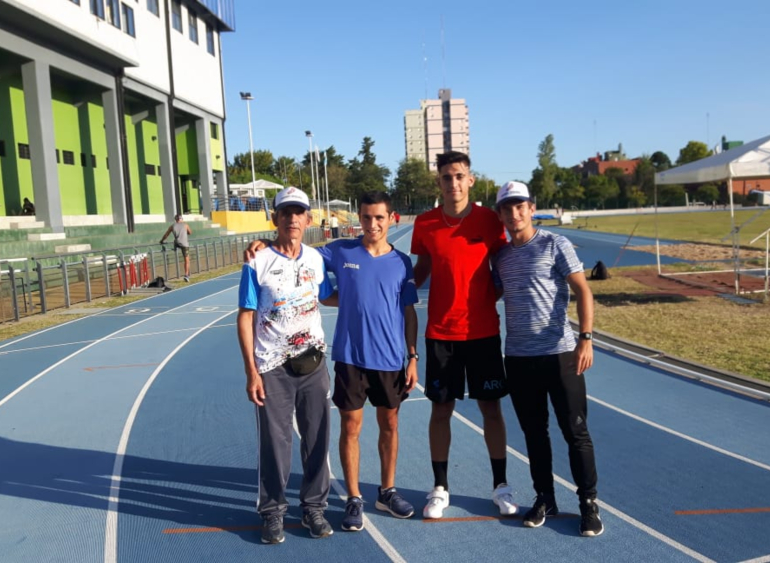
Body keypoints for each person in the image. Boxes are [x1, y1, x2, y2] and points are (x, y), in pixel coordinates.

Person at [244, 191, 421, 532]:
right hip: (350, 358)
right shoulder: (340, 250)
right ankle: (354, 498)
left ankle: (387, 490)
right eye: (366, 217)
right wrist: (264, 241)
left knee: (390, 426)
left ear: (391, 218)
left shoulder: (401, 262)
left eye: (379, 218)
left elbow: (409, 311)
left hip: (390, 359)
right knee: (350, 428)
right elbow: (295, 251)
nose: (372, 224)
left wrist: (412, 357)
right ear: (359, 218)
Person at [491, 181, 603, 537]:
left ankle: (588, 503)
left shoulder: (555, 243)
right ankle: (545, 497)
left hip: (560, 355)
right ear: (501, 215)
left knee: (575, 431)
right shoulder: (501, 256)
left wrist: (585, 339)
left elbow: (583, 290)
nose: (514, 213)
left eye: (520, 206)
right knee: (534, 434)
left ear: (531, 207)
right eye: (507, 208)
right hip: (520, 358)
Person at [410, 151, 518, 519]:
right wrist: (387, 296)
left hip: (483, 332)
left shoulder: (490, 220)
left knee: (492, 409)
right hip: (441, 333)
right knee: (441, 410)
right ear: (438, 182)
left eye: (459, 176)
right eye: (446, 177)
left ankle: (501, 486)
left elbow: (506, 265)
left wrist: (491, 296)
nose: (453, 183)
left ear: (470, 180)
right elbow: (420, 271)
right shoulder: (425, 224)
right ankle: (440, 488)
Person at [236, 187, 336, 544]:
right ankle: (273, 511)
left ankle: (313, 507)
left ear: (309, 220)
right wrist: (252, 372)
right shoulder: (256, 261)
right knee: (275, 443)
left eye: (299, 213)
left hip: (313, 363)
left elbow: (328, 294)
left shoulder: (316, 258)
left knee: (317, 438)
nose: (292, 219)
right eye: (285, 212)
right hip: (272, 367)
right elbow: (246, 316)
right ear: (275, 218)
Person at [160, 214, 192, 282]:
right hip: (184, 244)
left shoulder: (172, 226)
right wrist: (185, 232)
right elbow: (190, 232)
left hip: (177, 243)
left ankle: (175, 248)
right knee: (187, 260)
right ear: (181, 219)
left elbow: (166, 235)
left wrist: (162, 241)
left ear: (176, 219)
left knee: (176, 241)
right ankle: (186, 275)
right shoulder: (185, 225)